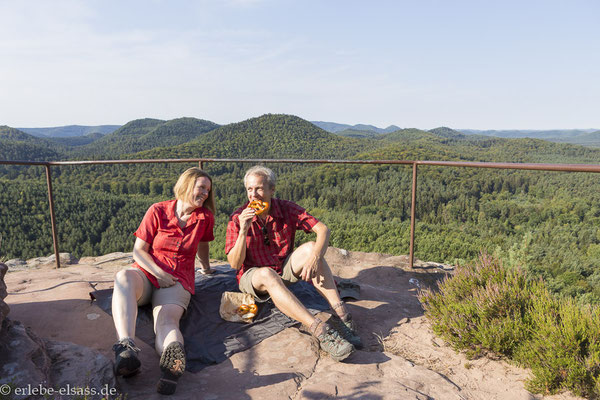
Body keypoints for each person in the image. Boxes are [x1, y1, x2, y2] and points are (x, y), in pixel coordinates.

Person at [225, 166, 361, 362]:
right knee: (267, 275)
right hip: (253, 277)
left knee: (311, 248)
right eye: (249, 190)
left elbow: (323, 230)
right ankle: (319, 329)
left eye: (259, 189)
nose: (253, 195)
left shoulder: (286, 208)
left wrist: (315, 257)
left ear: (272, 190)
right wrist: (243, 230)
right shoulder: (238, 218)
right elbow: (234, 264)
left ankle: (342, 315)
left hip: (282, 267)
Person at [111, 167, 215, 395]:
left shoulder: (205, 217)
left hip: (179, 280)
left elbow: (203, 244)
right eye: (201, 188)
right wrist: (159, 274)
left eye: (208, 190)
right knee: (123, 277)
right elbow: (138, 251)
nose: (206, 194)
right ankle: (126, 348)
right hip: (148, 273)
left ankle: (172, 359)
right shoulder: (158, 210)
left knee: (166, 320)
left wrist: (206, 269)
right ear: (186, 185)